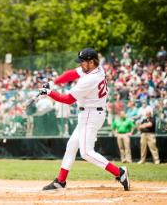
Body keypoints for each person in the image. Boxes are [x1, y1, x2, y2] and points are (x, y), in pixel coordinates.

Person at [39, 48, 130, 191]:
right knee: (71, 146)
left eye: (83, 62)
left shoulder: (90, 79)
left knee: (86, 152)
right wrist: (53, 82)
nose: (81, 64)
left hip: (91, 115)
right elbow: (72, 74)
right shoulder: (96, 69)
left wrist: (49, 92)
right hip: (90, 114)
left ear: (91, 62)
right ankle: (60, 181)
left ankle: (120, 173)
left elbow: (68, 100)